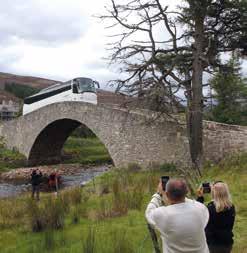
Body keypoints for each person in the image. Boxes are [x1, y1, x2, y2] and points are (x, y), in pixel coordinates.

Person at [145, 178, 209, 253]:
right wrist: (181, 194)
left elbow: (149, 212)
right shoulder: (200, 208)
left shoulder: (164, 214)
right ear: (187, 192)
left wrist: (158, 194)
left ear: (167, 194)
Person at [197, 182, 235, 253]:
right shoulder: (231, 207)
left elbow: (198, 214)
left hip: (213, 243)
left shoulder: (210, 209)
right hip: (227, 242)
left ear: (214, 193)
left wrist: (200, 197)